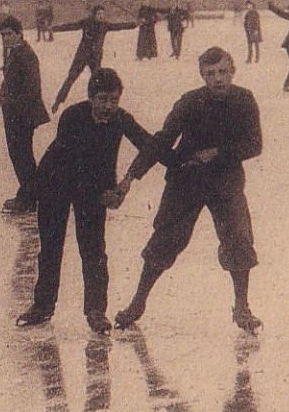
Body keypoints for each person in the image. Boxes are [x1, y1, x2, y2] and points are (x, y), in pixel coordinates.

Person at [112, 47, 263, 334]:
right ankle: (138, 302)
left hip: (225, 180)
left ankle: (242, 307)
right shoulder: (189, 102)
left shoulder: (244, 100)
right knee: (166, 239)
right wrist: (131, 177)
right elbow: (162, 140)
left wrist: (218, 153)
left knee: (239, 238)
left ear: (232, 70)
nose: (218, 79)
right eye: (210, 74)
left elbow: (254, 145)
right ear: (201, 76)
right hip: (187, 179)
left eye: (222, 72)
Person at [17, 67, 157, 333]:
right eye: (103, 99)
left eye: (114, 99)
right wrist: (106, 192)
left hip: (92, 187)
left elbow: (150, 146)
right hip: (55, 183)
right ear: (91, 98)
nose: (108, 106)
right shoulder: (72, 116)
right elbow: (81, 162)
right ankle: (43, 306)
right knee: (51, 247)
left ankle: (95, 310)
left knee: (93, 249)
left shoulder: (120, 118)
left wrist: (125, 184)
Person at [0, 16, 50, 213]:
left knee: (22, 156)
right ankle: (28, 194)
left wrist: (11, 101)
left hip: (22, 114)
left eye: (9, 34)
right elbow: (10, 78)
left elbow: (32, 87)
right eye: (2, 35)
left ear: (19, 33)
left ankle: (29, 199)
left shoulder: (25, 54)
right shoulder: (13, 52)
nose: (5, 38)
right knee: (19, 155)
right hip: (14, 113)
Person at [50, 5, 137, 110]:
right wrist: (54, 28)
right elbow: (71, 26)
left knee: (98, 81)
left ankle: (97, 103)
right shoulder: (87, 23)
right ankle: (58, 102)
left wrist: (134, 24)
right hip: (82, 55)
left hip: (95, 58)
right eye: (99, 14)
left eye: (102, 14)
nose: (101, 16)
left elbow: (118, 26)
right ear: (94, 15)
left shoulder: (104, 25)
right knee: (71, 78)